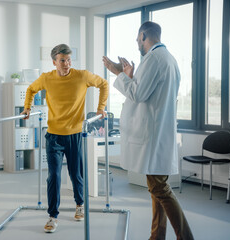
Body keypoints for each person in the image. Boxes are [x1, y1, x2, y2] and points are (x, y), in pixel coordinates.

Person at [103, 21, 194, 240]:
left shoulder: (154, 58)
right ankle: (157, 236)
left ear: (144, 35)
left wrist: (119, 73)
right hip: (158, 132)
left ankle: (185, 236)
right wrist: (131, 75)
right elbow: (148, 91)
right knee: (156, 189)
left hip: (152, 135)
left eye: (137, 39)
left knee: (160, 188)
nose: (137, 43)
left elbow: (138, 94)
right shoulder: (169, 59)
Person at [21, 44, 109, 233]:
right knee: (54, 176)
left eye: (69, 60)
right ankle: (52, 216)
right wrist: (27, 107)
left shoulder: (82, 76)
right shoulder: (47, 78)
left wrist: (101, 107)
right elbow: (30, 89)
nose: (67, 64)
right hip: (53, 136)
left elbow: (104, 84)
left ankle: (80, 204)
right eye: (62, 60)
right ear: (54, 62)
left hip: (75, 135)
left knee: (76, 174)